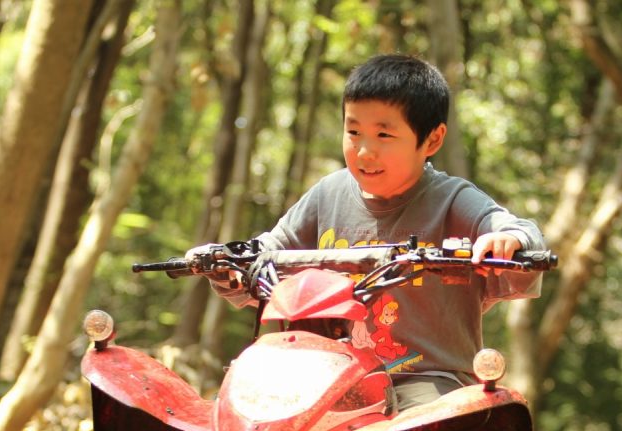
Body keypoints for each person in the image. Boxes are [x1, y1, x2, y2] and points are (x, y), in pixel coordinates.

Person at [199, 53, 545, 410]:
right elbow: (268, 250)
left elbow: (518, 230)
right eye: (353, 132)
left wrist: (507, 240)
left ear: (432, 140)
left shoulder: (452, 199)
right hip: (324, 377)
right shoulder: (327, 194)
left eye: (384, 134)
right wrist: (228, 264)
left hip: (426, 380)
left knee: (429, 426)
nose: (364, 151)